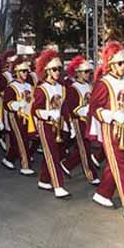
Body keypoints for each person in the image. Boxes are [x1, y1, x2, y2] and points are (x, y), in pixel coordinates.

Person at [87, 41, 124, 221]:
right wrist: (111, 115)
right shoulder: (104, 83)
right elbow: (94, 108)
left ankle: (103, 193)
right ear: (111, 63)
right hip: (110, 128)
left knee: (114, 166)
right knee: (120, 165)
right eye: (121, 63)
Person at [31, 49, 71, 199]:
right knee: (52, 154)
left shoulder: (61, 87)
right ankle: (58, 185)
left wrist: (68, 124)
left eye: (60, 69)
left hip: (58, 124)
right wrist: (49, 114)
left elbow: (64, 107)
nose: (58, 72)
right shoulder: (41, 89)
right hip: (45, 124)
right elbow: (35, 110)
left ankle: (44, 179)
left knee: (57, 153)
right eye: (54, 69)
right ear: (47, 70)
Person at [60, 56, 99, 185]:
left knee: (83, 148)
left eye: (90, 72)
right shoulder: (73, 88)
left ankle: (66, 165)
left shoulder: (89, 86)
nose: (89, 74)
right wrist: (87, 109)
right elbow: (71, 109)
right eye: (86, 72)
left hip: (87, 121)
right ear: (78, 73)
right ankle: (91, 175)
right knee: (85, 149)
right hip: (78, 122)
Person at [2, 56, 36, 176]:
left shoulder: (29, 86)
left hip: (27, 117)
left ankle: (9, 158)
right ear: (16, 72)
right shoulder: (11, 87)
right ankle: (25, 165)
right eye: (23, 71)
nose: (26, 73)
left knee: (20, 141)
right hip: (15, 116)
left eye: (27, 71)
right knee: (22, 139)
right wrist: (19, 104)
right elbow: (6, 104)